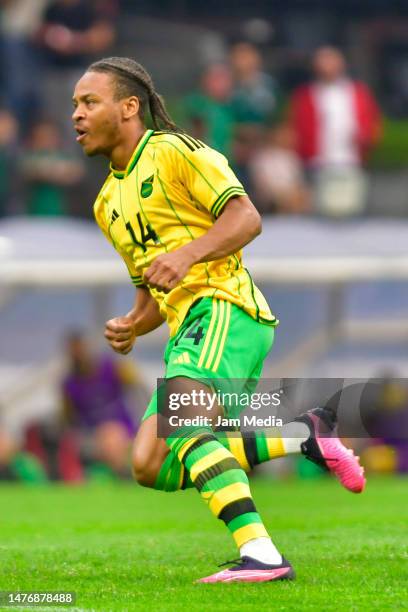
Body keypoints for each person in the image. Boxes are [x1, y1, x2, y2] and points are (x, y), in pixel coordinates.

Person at [72, 56, 365, 583]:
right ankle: (304, 436)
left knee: (186, 426)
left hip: (225, 306)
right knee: (149, 463)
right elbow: (151, 296)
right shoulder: (106, 204)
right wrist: (131, 325)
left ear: (129, 106)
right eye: (75, 104)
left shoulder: (174, 152)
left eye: (90, 101)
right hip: (189, 324)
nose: (77, 114)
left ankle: (262, 555)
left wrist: (187, 257)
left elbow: (246, 217)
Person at [289, 46, 382, 217]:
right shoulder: (306, 95)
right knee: (321, 212)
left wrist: (366, 138)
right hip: (318, 163)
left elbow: (372, 121)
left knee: (352, 209)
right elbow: (297, 127)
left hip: (351, 160)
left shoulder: (357, 92)